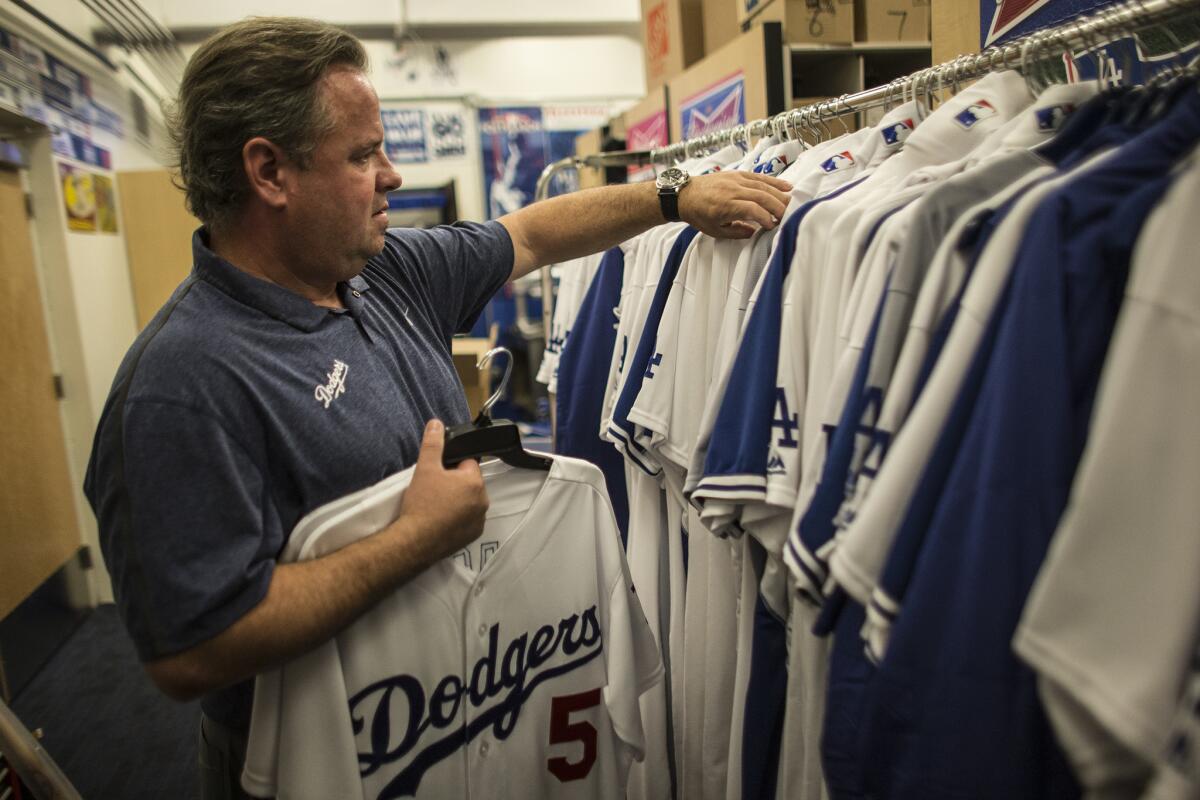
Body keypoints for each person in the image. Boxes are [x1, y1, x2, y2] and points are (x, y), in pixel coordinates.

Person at [83, 16, 791, 799]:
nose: (391, 174)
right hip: (322, 766)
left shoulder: (381, 273)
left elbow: (528, 234)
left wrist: (674, 197)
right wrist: (414, 539)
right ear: (269, 172)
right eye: (362, 155)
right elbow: (191, 651)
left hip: (457, 708)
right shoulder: (182, 385)